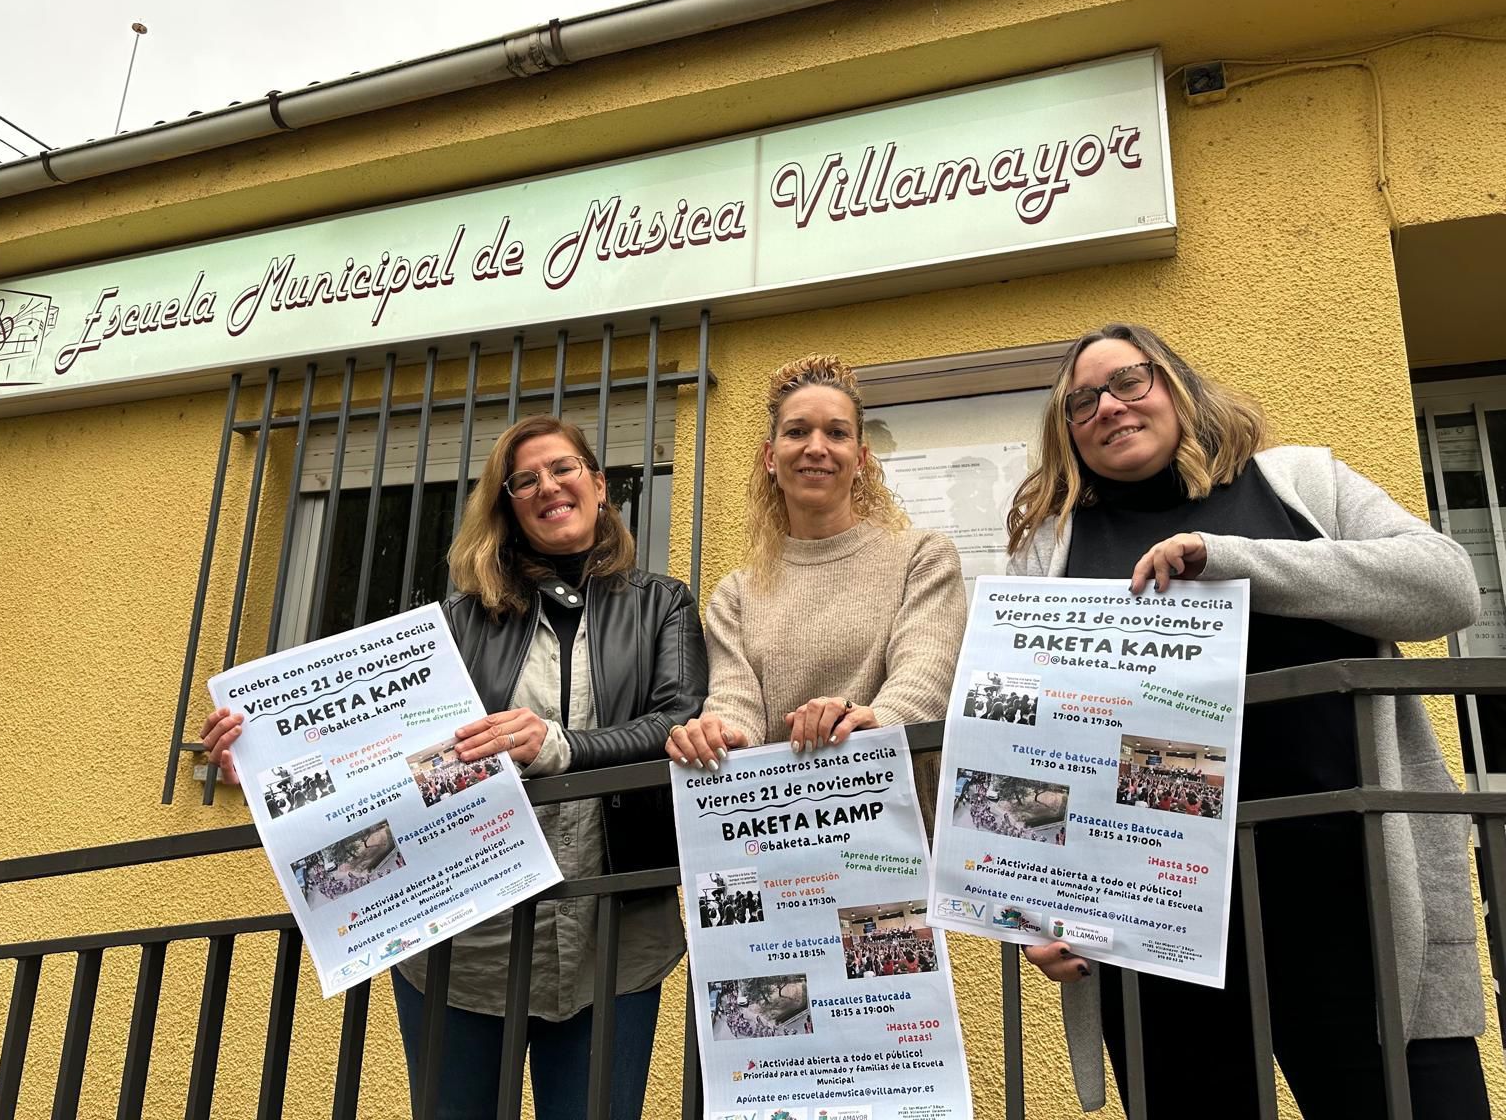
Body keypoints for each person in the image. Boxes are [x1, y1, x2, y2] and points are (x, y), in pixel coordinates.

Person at [1007, 323, 1488, 1118]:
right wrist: (1030, 906)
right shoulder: (1051, 549)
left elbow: (1446, 586)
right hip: (1153, 925)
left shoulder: (1301, 482)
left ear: (1179, 387)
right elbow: (1031, 739)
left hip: (1353, 897)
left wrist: (1232, 560)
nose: (1108, 408)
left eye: (1130, 381)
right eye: (1081, 401)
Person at [203, 414, 707, 1120]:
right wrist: (262, 764)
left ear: (598, 483)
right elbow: (381, 747)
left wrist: (560, 747)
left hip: (615, 940)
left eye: (563, 468)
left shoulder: (664, 603)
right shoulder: (456, 623)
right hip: (464, 948)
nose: (547, 486)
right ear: (507, 507)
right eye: (524, 479)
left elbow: (678, 722)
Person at [664, 354, 965, 822]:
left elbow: (925, 679)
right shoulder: (736, 594)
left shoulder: (922, 556)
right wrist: (715, 734)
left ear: (861, 459)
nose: (816, 447)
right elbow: (735, 705)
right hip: (790, 841)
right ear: (771, 456)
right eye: (797, 431)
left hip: (900, 833)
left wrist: (871, 720)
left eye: (837, 433)